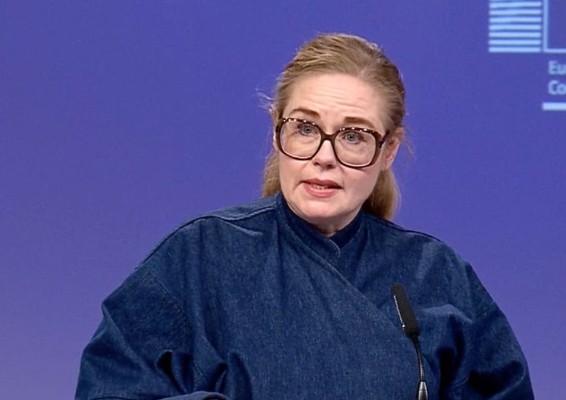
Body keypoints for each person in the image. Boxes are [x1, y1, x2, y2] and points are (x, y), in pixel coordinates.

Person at [76, 33, 534, 399]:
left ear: (388, 150)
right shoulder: (199, 258)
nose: (324, 157)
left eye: (353, 136)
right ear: (278, 129)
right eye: (306, 128)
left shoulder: (435, 275)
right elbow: (111, 389)